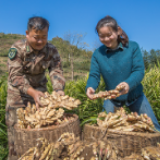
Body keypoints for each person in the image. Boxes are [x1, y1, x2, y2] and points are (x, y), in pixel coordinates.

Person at [86, 15, 160, 131]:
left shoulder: (133, 47)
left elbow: (139, 70)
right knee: (104, 129)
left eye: (109, 35)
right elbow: (94, 75)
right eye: (102, 36)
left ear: (118, 31)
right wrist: (90, 86)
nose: (106, 39)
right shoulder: (98, 54)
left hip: (135, 96)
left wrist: (128, 84)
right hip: (112, 98)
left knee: (153, 129)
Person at [6, 16, 65, 159]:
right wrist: (32, 92)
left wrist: (58, 90)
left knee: (42, 133)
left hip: (41, 95)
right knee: (17, 137)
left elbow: (56, 71)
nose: (40, 41)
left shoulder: (51, 50)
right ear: (27, 33)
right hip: (18, 97)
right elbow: (16, 77)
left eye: (44, 37)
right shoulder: (17, 49)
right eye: (36, 37)